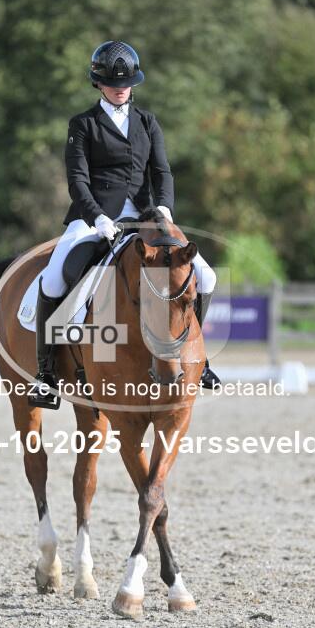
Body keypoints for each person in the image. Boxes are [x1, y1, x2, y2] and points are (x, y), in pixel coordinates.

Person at [30, 40, 220, 408]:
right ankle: (46, 373)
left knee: (207, 276)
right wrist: (97, 216)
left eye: (127, 83)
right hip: (95, 217)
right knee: (53, 278)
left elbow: (162, 172)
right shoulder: (83, 124)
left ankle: (199, 359)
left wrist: (164, 209)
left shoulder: (148, 122)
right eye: (113, 83)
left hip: (147, 218)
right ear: (98, 83)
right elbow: (77, 179)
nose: (121, 88)